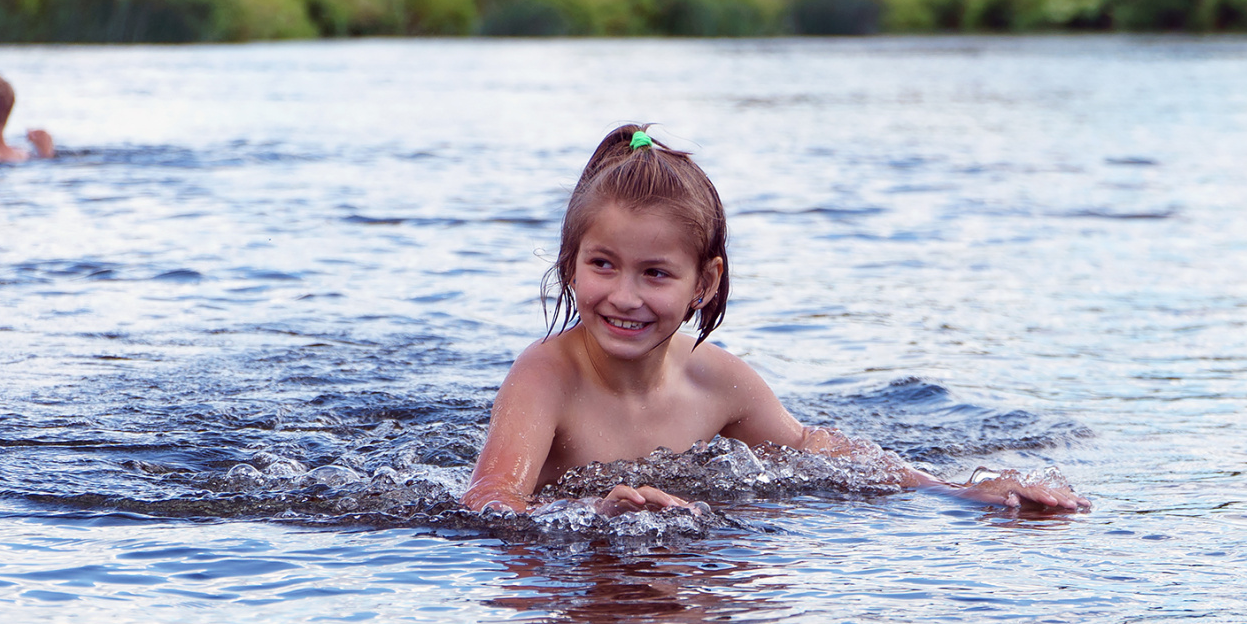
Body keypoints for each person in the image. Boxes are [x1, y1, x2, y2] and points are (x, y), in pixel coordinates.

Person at [464, 125, 1090, 517]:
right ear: (571, 266)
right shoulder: (547, 376)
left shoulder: (718, 382)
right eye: (603, 265)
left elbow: (817, 452)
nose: (624, 296)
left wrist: (957, 490)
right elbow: (492, 503)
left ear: (703, 285)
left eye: (655, 274)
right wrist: (593, 518)